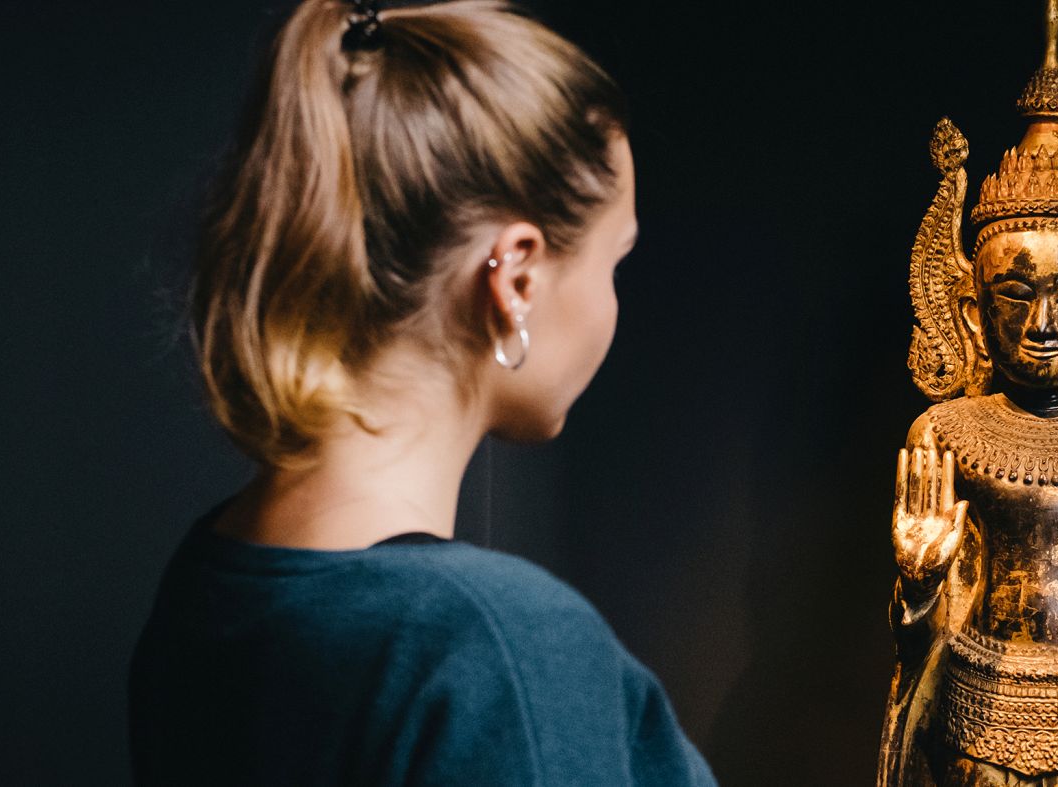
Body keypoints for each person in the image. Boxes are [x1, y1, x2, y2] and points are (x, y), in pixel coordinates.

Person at [127, 1, 716, 784]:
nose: (613, 303)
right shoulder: (498, 646)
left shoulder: (209, 587)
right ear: (515, 274)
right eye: (614, 261)